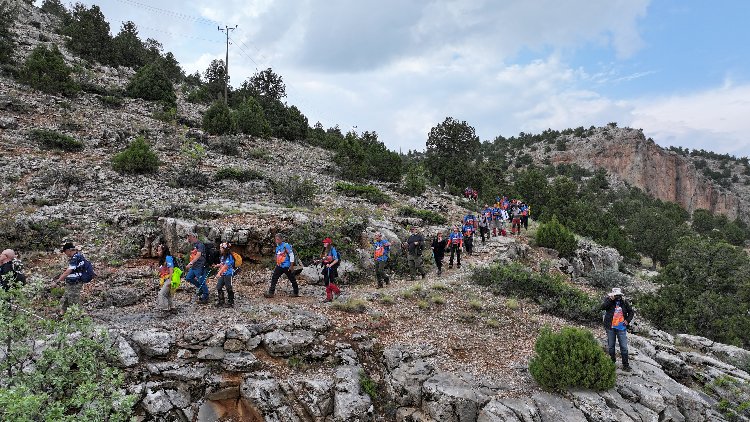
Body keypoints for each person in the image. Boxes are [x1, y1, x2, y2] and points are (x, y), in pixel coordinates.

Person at [601, 287, 635, 371]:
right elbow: (603, 307)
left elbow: (631, 312)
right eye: (615, 295)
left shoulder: (624, 302)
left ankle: (625, 365)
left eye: (618, 295)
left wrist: (627, 320)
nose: (616, 296)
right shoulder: (608, 300)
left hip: (621, 327)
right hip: (610, 327)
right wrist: (610, 300)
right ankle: (612, 362)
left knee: (623, 347)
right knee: (611, 346)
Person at [55, 242, 88, 313]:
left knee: (74, 302)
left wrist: (58, 281)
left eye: (65, 252)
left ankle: (80, 318)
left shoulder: (75, 257)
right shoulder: (78, 256)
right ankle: (61, 315)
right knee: (65, 300)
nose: (65, 254)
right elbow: (75, 269)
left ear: (68, 250)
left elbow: (67, 272)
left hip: (75, 284)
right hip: (71, 284)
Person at [265, 234, 300, 298]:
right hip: (279, 266)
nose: (276, 241)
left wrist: (291, 266)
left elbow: (291, 255)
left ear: (281, 239)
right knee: (274, 278)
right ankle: (271, 293)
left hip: (286, 266)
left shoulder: (286, 246)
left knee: (292, 279)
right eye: (276, 239)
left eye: (278, 239)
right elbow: (277, 255)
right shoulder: (278, 247)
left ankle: (296, 292)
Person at [184, 233, 209, 304]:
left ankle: (205, 296)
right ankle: (200, 288)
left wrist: (190, 263)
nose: (188, 239)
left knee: (202, 281)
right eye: (188, 237)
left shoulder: (200, 245)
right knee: (188, 277)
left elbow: (198, 255)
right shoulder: (193, 245)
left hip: (200, 266)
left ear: (194, 237)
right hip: (194, 267)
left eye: (190, 237)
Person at [212, 242, 236, 307]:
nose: (220, 249)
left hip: (228, 274)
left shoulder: (229, 256)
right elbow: (222, 264)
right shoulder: (223, 256)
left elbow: (226, 266)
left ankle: (231, 302)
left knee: (228, 287)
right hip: (223, 274)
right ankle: (221, 300)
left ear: (224, 249)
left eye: (221, 248)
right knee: (219, 287)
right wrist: (217, 265)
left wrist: (219, 273)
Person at [156, 243, 178, 313]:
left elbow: (171, 269)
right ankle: (173, 308)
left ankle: (165, 309)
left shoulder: (168, 258)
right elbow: (162, 270)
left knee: (161, 294)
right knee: (168, 294)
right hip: (165, 278)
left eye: (159, 250)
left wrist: (170, 281)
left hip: (170, 278)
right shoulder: (163, 260)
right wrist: (154, 267)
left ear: (163, 251)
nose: (157, 252)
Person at [320, 237, 341, 303]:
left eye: (325, 242)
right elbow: (325, 259)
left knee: (328, 282)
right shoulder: (325, 250)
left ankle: (337, 292)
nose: (324, 243)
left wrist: (330, 265)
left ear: (329, 243)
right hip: (326, 268)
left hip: (331, 268)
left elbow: (336, 259)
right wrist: (318, 261)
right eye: (324, 242)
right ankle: (329, 297)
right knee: (327, 282)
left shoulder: (332, 249)